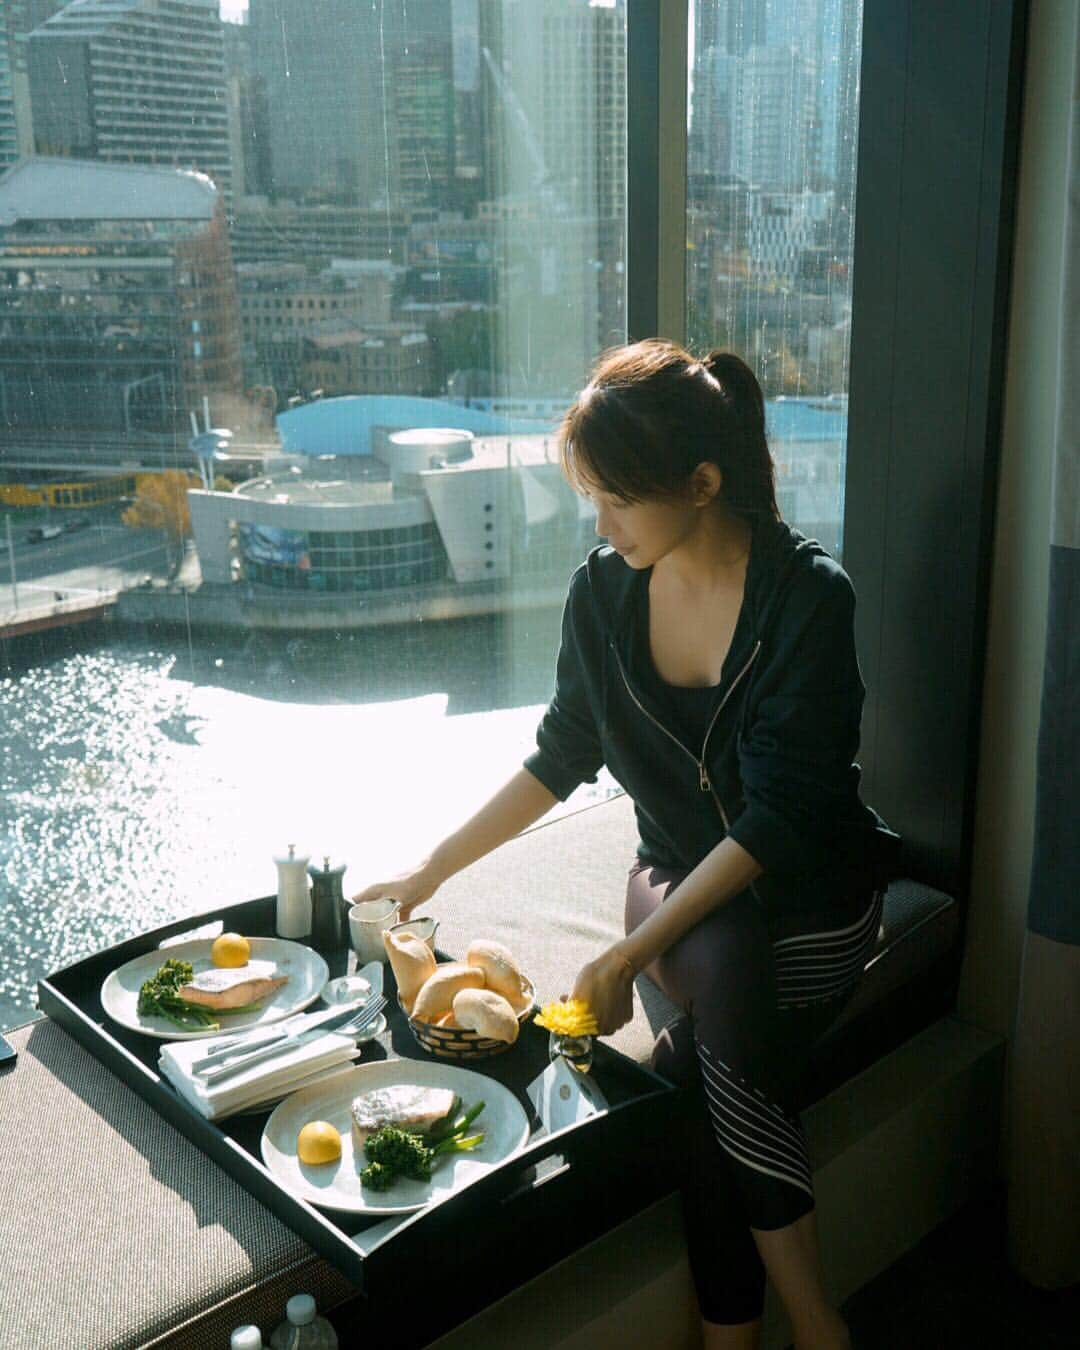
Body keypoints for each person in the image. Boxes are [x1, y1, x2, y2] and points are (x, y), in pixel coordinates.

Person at [354, 339, 899, 1349]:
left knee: (702, 1057)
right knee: (719, 987)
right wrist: (430, 870)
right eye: (591, 499)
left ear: (702, 482)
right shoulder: (602, 595)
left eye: (617, 501)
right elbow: (559, 754)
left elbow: (780, 822)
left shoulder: (810, 600)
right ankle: (824, 1333)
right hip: (684, 909)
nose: (598, 526)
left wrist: (624, 956)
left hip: (813, 909)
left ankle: (790, 1334)